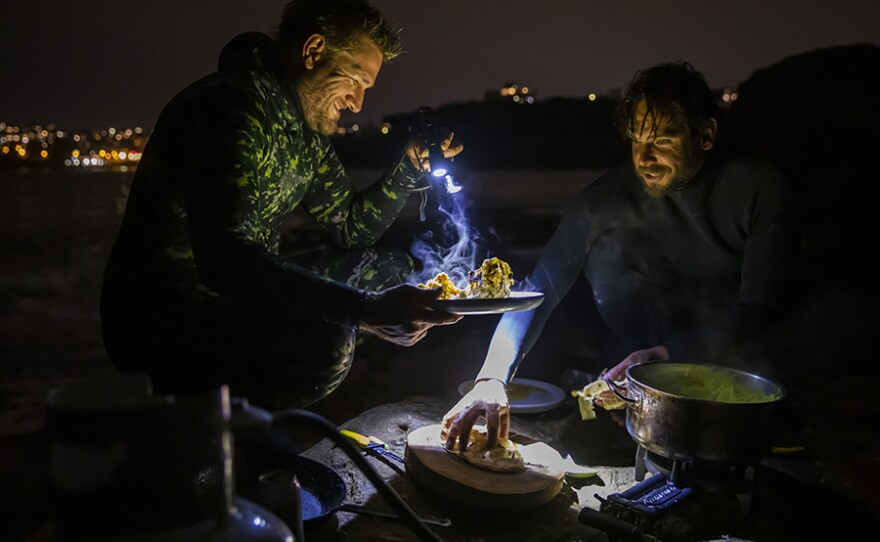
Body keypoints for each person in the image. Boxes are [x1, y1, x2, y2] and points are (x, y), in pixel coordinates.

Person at [100, 0, 463, 409]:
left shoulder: (303, 133)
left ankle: (250, 410)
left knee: (390, 271)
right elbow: (226, 259)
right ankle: (232, 430)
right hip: (166, 319)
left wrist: (409, 167)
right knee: (327, 343)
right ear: (312, 52)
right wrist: (362, 311)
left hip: (236, 296)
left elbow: (352, 229)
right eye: (355, 81)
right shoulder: (231, 107)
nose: (358, 103)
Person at [443, 62, 795, 450]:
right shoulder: (605, 198)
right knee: (610, 258)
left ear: (706, 134)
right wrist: (491, 378)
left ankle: (651, 380)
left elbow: (759, 306)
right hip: (659, 326)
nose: (644, 158)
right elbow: (539, 288)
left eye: (662, 140)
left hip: (733, 341)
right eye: (635, 140)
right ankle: (632, 383)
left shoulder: (757, 185)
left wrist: (668, 356)